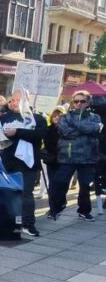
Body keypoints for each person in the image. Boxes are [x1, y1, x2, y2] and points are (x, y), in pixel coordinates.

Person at [0, 90, 47, 237]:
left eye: (17, 100)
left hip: (28, 163)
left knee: (26, 194)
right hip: (7, 161)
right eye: (12, 100)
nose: (13, 103)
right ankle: (8, 221)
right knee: (7, 194)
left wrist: (17, 132)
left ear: (27, 101)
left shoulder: (37, 118)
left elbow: (40, 135)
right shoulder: (3, 118)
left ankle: (28, 223)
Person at [48, 91, 102, 221]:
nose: (79, 104)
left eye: (82, 101)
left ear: (88, 103)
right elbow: (66, 132)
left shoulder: (95, 118)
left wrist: (78, 126)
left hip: (87, 156)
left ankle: (84, 211)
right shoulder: (65, 117)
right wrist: (87, 129)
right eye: (76, 101)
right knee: (60, 183)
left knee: (85, 186)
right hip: (67, 156)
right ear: (72, 102)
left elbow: (95, 130)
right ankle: (56, 208)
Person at [39, 106, 65, 201]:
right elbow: (47, 144)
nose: (56, 118)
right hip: (52, 159)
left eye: (59, 116)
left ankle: (59, 201)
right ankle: (52, 204)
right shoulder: (48, 129)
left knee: (61, 182)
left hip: (63, 160)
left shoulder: (66, 130)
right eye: (54, 116)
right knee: (52, 181)